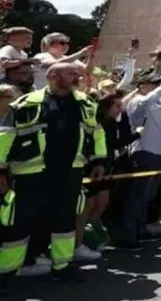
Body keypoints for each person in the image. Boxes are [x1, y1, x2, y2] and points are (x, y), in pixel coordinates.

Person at [0, 62, 107, 286]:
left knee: (65, 222)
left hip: (69, 174)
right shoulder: (26, 103)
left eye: (77, 73)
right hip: (31, 175)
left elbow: (97, 132)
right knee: (20, 223)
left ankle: (62, 266)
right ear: (52, 77)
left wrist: (98, 161)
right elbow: (6, 136)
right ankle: (6, 273)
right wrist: (0, 169)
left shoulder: (86, 103)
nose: (77, 76)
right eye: (71, 73)